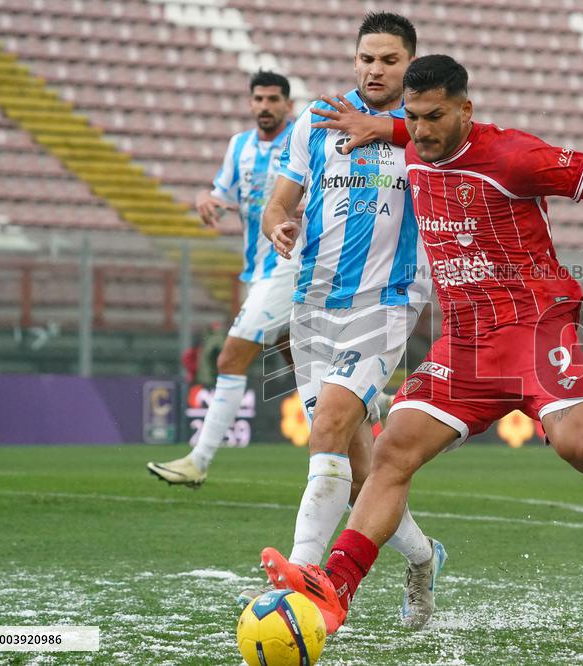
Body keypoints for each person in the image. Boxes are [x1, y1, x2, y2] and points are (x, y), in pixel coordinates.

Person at [259, 55, 583, 633]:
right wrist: (378, 127)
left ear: (466, 110)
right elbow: (401, 130)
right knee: (393, 448)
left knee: (581, 448)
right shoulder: (415, 141)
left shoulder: (514, 157)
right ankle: (337, 587)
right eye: (413, 119)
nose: (420, 131)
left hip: (536, 328)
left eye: (434, 117)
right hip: (466, 342)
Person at [257, 13, 444, 630]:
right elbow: (280, 199)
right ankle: (423, 558)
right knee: (363, 468)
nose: (375, 69)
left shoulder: (429, 131)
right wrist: (278, 222)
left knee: (330, 425)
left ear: (410, 66)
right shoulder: (316, 120)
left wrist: (392, 129)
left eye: (390, 60)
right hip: (312, 306)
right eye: (367, 57)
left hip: (385, 303)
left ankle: (301, 583)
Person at [147, 70, 298, 488]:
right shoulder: (240, 146)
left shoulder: (301, 141)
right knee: (304, 366)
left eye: (273, 99)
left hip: (290, 265)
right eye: (258, 99)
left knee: (231, 356)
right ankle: (369, 405)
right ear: (250, 104)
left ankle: (199, 459)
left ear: (288, 105)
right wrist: (206, 200)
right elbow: (223, 194)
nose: (265, 106)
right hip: (258, 270)